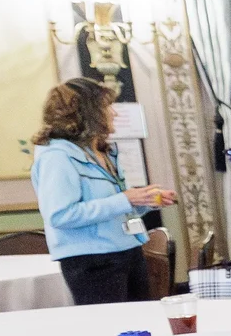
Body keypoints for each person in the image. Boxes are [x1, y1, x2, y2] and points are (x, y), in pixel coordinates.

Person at [31, 78, 170, 303]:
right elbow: (60, 215)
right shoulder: (56, 157)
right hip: (92, 262)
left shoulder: (102, 152)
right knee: (114, 330)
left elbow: (113, 206)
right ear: (88, 112)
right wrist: (125, 199)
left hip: (128, 249)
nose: (113, 113)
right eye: (106, 107)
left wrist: (143, 201)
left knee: (142, 327)